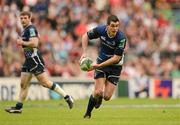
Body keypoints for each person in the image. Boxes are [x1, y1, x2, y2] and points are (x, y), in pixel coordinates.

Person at [5, 11, 74, 113]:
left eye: (25, 18)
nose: (23, 20)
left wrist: (22, 42)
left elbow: (35, 43)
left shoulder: (31, 28)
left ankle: (67, 96)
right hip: (28, 60)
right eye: (21, 18)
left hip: (35, 60)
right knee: (23, 84)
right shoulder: (25, 30)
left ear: (29, 18)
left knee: (45, 83)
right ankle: (18, 107)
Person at [80, 15, 127, 118]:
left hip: (115, 67)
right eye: (113, 26)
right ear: (107, 26)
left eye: (117, 26)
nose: (115, 28)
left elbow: (116, 58)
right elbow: (85, 36)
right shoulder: (101, 30)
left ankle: (100, 98)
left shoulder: (121, 38)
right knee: (97, 92)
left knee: (107, 97)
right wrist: (84, 53)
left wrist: (98, 66)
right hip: (102, 62)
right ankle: (88, 113)